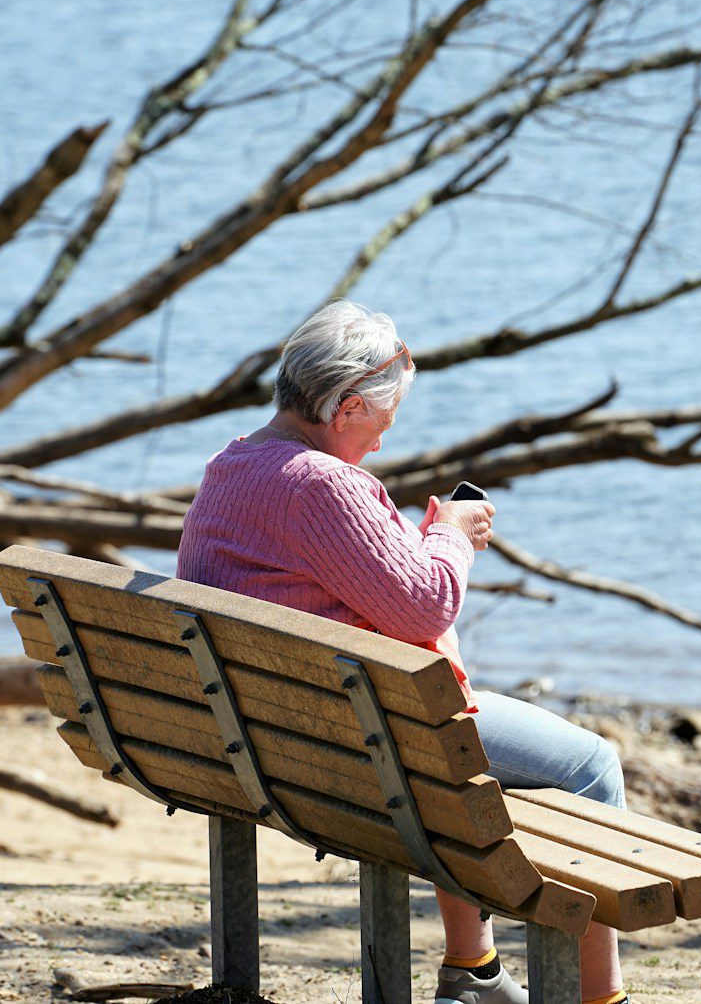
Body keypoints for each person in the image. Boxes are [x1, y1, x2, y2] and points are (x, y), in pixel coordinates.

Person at [176, 301, 630, 1004]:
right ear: (348, 406)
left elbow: (327, 586)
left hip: (262, 735)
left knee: (443, 743)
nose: (384, 441)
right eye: (383, 418)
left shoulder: (231, 466)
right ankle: (599, 996)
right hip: (357, 745)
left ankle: (473, 968)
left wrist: (408, 547)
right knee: (590, 765)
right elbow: (425, 604)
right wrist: (449, 531)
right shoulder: (325, 483)